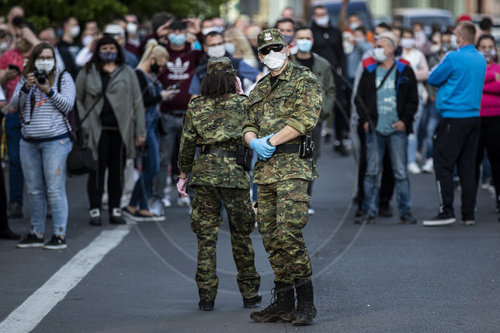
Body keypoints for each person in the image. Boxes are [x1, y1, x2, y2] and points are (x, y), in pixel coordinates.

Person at [243, 29, 321, 326]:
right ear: (260, 55)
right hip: (265, 171)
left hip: (292, 167)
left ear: (288, 48)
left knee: (289, 233)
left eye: (277, 47)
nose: (272, 53)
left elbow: (304, 119)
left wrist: (270, 141)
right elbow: (247, 123)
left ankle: (306, 303)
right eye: (266, 50)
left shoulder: (304, 79)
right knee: (271, 237)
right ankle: (284, 302)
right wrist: (253, 142)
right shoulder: (260, 89)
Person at [177, 57, 261, 311]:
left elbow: (187, 144)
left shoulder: (196, 106)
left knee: (206, 237)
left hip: (204, 174)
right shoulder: (243, 103)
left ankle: (206, 297)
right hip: (235, 173)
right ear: (232, 78)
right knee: (241, 235)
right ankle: (249, 293)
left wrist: (183, 175)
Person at [75, 36, 145, 226]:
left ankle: (115, 208)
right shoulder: (87, 71)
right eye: (104, 47)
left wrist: (140, 131)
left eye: (111, 47)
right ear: (97, 51)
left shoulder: (128, 72)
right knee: (96, 170)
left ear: (118, 50)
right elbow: (77, 99)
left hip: (121, 131)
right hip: (96, 131)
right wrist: (85, 124)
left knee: (117, 172)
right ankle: (95, 209)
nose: (108, 51)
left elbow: (138, 102)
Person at [11, 42, 75, 249]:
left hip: (55, 141)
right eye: (41, 57)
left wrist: (48, 90)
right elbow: (14, 105)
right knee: (34, 190)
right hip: (29, 141)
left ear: (54, 60)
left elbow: (68, 105)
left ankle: (59, 234)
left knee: (55, 190)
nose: (45, 61)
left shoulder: (63, 77)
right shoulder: (25, 79)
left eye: (49, 57)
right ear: (33, 60)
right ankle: (36, 232)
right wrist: (27, 88)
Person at [423, 21, 486, 226]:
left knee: (443, 163)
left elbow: (433, 78)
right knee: (468, 166)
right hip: (474, 115)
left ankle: (446, 210)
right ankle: (468, 213)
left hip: (453, 115)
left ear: (460, 37)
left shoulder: (454, 57)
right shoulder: (480, 58)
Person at [354, 32, 418, 225]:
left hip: (397, 129)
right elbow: (359, 98)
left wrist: (405, 121)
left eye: (381, 46)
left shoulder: (405, 70)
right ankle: (368, 211)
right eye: (375, 46)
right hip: (375, 129)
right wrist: (365, 120)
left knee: (400, 172)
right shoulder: (369, 69)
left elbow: (412, 100)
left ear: (391, 49)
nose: (377, 49)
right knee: (371, 172)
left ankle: (406, 211)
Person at [123, 41, 177, 221]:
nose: (160, 69)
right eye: (160, 65)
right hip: (145, 126)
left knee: (149, 167)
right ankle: (132, 204)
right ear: (152, 58)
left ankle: (143, 206)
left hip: (153, 125)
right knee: (152, 167)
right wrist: (160, 97)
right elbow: (140, 103)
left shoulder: (150, 76)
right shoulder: (138, 75)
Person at [291, 26, 336, 215]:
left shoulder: (323, 64)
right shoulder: (287, 62)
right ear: (295, 39)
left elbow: (330, 89)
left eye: (307, 37)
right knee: (291, 158)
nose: (304, 40)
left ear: (312, 40)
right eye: (300, 37)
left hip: (314, 122)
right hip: (290, 122)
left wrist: (323, 110)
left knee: (310, 158)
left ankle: (305, 200)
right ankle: (291, 200)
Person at [0, 19, 40, 219]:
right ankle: (16, 201)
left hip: (37, 113)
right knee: (15, 159)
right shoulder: (8, 56)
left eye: (23, 35)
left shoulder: (41, 54)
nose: (20, 39)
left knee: (41, 159)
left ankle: (45, 202)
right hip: (14, 112)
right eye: (17, 36)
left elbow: (58, 68)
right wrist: (5, 77)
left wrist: (36, 42)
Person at [310, 5, 348, 155]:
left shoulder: (335, 32)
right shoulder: (311, 33)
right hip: (317, 74)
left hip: (334, 74)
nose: (321, 17)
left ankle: (340, 139)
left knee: (340, 106)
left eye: (323, 14)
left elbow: (341, 54)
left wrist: (343, 73)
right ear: (314, 17)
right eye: (318, 15)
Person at [474, 34, 500, 220]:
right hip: (475, 118)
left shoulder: (498, 67)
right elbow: (472, 85)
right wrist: (492, 79)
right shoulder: (474, 67)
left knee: (497, 163)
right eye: (483, 46)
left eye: (490, 46)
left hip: (496, 118)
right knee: (472, 163)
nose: (487, 50)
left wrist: (484, 81)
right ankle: (470, 202)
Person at [189, 31, 260, 97]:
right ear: (205, 48)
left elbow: (260, 77)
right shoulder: (201, 69)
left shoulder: (236, 63)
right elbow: (194, 95)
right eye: (213, 45)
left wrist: (249, 96)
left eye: (219, 44)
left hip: (235, 107)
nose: (217, 47)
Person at [400, 28, 429, 175]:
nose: (407, 40)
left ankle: (410, 160)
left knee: (412, 131)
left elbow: (425, 73)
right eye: (404, 37)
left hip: (415, 96)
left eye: (409, 37)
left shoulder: (419, 55)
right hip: (398, 97)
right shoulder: (397, 54)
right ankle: (400, 160)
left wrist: (410, 74)